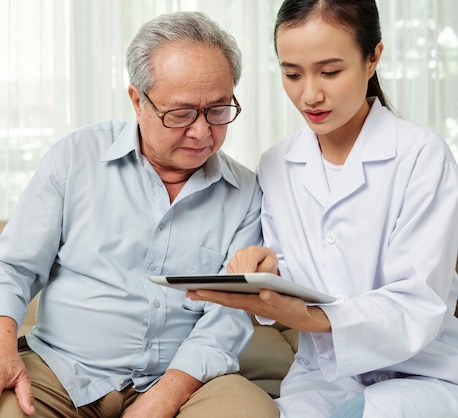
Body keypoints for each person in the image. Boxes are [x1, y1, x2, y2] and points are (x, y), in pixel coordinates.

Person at [0, 11, 279, 418]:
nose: (202, 132)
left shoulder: (246, 193)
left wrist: (164, 397)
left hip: (184, 381)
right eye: (181, 113)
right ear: (138, 101)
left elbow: (227, 317)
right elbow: (12, 267)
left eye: (219, 110)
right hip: (62, 370)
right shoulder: (75, 158)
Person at [187, 1, 458, 417]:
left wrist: (311, 318)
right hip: (321, 380)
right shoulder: (276, 164)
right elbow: (293, 271)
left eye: (330, 72)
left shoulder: (422, 157)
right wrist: (266, 269)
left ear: (373, 59)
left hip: (422, 375)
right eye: (292, 73)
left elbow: (417, 304)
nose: (309, 94)